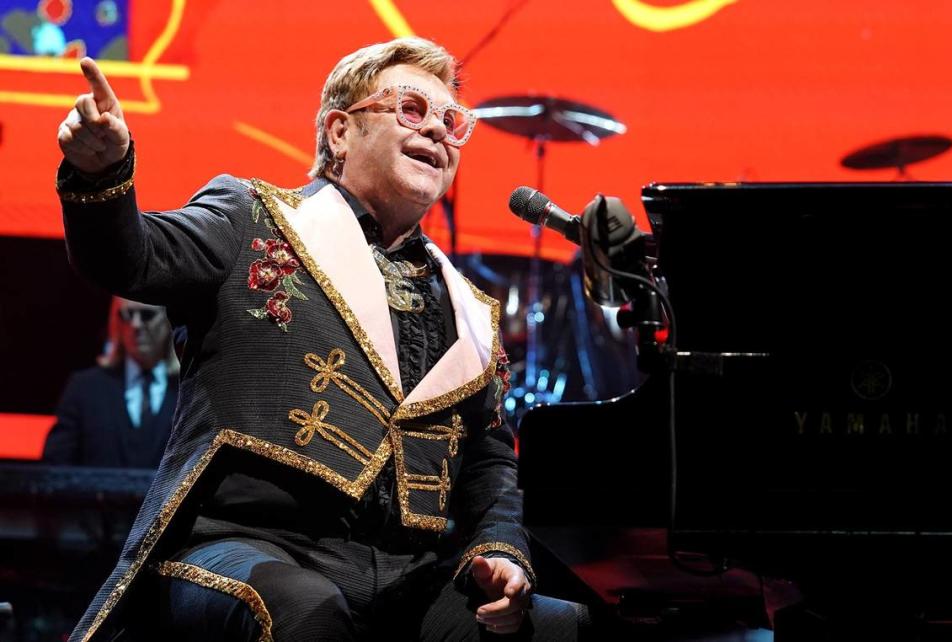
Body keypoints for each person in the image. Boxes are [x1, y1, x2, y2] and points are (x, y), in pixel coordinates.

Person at [56, 38, 586, 640]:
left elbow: (489, 463)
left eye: (451, 121)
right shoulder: (252, 217)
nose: (438, 131)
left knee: (560, 626)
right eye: (411, 109)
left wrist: (503, 552)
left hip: (404, 576)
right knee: (303, 609)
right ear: (339, 132)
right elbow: (129, 259)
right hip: (240, 549)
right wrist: (100, 173)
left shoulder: (470, 310)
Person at [43, 297, 179, 468]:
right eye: (127, 315)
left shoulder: (190, 391)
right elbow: (55, 468)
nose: (135, 325)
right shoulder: (84, 389)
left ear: (170, 320)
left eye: (147, 315)